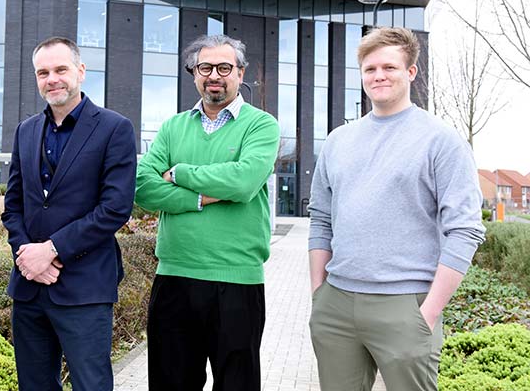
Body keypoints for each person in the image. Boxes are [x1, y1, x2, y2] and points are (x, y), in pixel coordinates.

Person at [308, 27, 486, 391]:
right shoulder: (337, 141)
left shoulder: (441, 140)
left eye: (389, 67)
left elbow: (465, 230)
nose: (378, 76)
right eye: (370, 69)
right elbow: (321, 219)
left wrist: (429, 313)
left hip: (406, 305)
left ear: (411, 72)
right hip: (336, 304)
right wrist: (318, 296)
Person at [135, 34, 280, 390]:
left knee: (236, 384)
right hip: (174, 277)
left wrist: (180, 173)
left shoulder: (262, 125)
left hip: (237, 281)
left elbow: (243, 181)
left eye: (224, 67)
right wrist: (198, 199)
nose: (214, 75)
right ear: (194, 74)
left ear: (241, 72)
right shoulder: (173, 127)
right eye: (205, 67)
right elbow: (141, 185)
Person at [1, 36, 136, 390]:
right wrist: (27, 255)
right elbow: (13, 206)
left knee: (90, 385)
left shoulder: (114, 128)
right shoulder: (26, 130)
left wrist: (51, 250)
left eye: (61, 69)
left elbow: (115, 209)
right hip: (29, 288)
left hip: (85, 288)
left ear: (80, 71)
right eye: (43, 72)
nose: (52, 79)